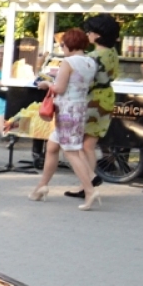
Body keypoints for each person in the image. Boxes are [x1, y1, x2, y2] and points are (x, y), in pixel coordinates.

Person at [28, 28, 101, 209]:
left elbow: (59, 88)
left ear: (69, 44)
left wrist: (46, 84)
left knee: (71, 152)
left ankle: (90, 191)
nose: (62, 48)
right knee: (52, 147)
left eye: (62, 45)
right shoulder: (91, 62)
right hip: (80, 108)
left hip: (67, 110)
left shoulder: (68, 62)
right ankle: (41, 186)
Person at [64, 14, 120, 199]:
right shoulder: (113, 53)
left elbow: (84, 78)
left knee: (82, 144)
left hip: (92, 99)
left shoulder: (93, 57)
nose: (87, 35)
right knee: (90, 143)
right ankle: (86, 183)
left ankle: (89, 180)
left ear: (96, 35)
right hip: (107, 98)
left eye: (89, 32)